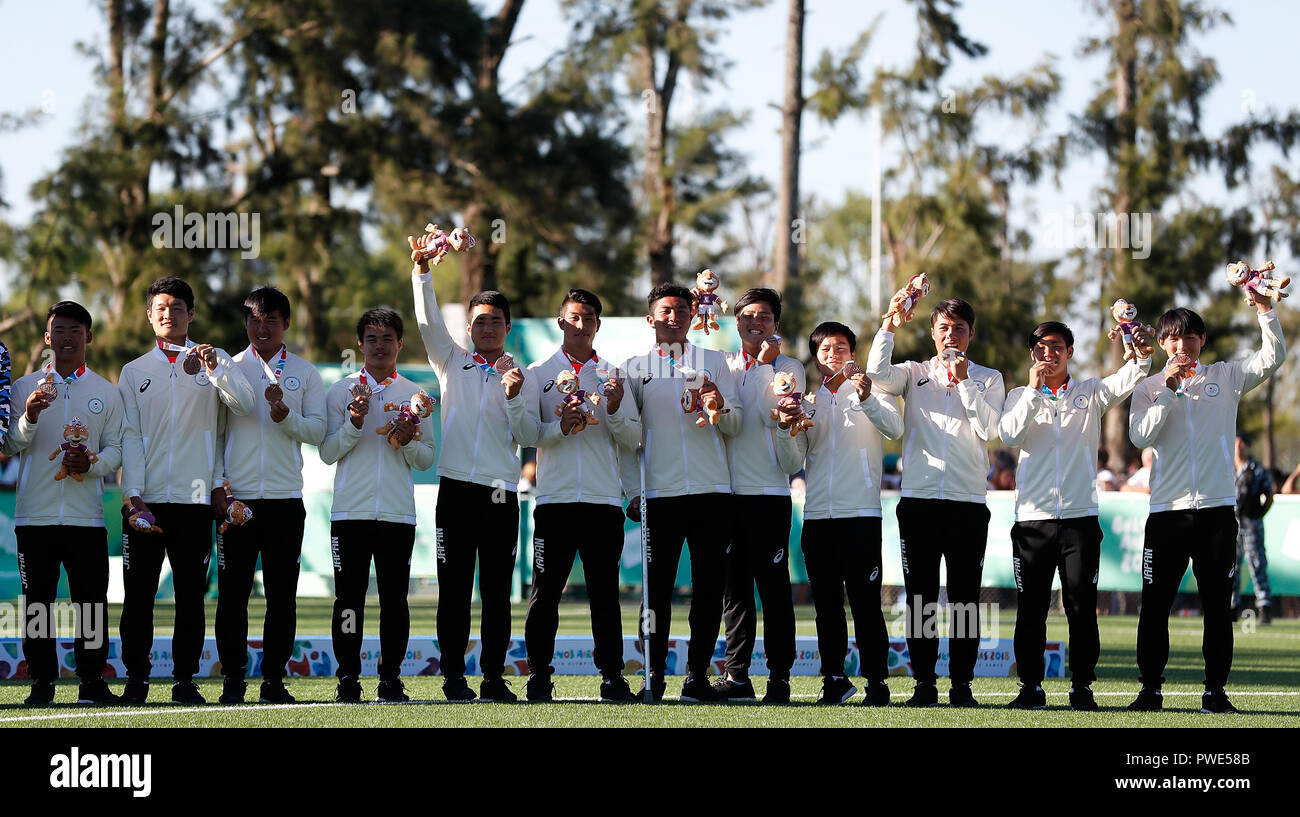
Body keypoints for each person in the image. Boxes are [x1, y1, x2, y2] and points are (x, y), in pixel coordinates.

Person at [1128, 290, 1285, 714]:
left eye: (1191, 337)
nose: (1183, 346)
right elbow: (1141, 437)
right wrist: (1168, 390)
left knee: (1218, 607)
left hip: (1217, 512)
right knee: (1155, 606)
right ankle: (1150, 690)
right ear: (1162, 344)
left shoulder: (1227, 376)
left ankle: (1215, 692)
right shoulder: (1146, 388)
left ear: (1202, 340)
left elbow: (1273, 357)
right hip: (1166, 515)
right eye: (1174, 339)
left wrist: (1265, 310)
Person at [998, 319, 1151, 711]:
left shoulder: (1090, 392)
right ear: (1032, 353)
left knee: (1082, 607)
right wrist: (1034, 390)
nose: (1048, 353)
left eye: (1056, 347)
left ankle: (1082, 685)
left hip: (1080, 520)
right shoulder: (1018, 394)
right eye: (1040, 348)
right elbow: (1010, 436)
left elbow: (1131, 375)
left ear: (1069, 351)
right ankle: (1030, 686)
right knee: (1030, 608)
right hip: (1032, 519)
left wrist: (1138, 344)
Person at [117, 276, 256, 704]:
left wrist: (216, 371)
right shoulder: (134, 371)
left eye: (177, 307)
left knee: (190, 598)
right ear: (148, 315)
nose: (168, 314)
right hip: (147, 504)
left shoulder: (215, 359)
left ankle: (183, 681)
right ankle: (137, 681)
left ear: (190, 315)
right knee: (138, 597)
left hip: (196, 503)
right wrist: (132, 496)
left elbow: (245, 406)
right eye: (160, 307)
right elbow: (129, 437)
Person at [866, 297, 1005, 707]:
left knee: (964, 599)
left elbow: (990, 428)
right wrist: (890, 324)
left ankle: (961, 685)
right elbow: (876, 372)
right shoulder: (914, 372)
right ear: (932, 332)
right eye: (943, 328)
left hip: (967, 504)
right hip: (919, 502)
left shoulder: (988, 378)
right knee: (921, 599)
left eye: (959, 328)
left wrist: (964, 382)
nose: (951, 335)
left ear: (971, 333)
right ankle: (924, 683)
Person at [503, 288, 640, 702]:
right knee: (545, 594)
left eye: (590, 319)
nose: (582, 325)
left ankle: (612, 677)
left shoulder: (614, 374)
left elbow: (632, 438)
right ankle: (539, 676)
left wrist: (614, 408)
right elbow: (524, 435)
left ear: (599, 324)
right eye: (574, 318)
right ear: (561, 321)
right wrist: (555, 426)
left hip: (602, 503)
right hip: (554, 503)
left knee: (605, 596)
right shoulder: (538, 372)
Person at [619, 281, 743, 702]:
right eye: (665, 311)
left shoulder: (715, 361)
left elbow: (736, 425)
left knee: (709, 590)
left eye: (681, 311)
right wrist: (631, 492)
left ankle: (697, 678)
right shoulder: (633, 367)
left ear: (694, 315)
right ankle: (651, 677)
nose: (674, 318)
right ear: (650, 318)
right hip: (659, 495)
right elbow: (624, 437)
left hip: (712, 492)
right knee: (657, 591)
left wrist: (719, 403)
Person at [411, 250, 523, 701]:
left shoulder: (523, 376)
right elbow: (427, 321)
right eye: (479, 321)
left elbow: (530, 432)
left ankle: (494, 678)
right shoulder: (450, 361)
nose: (487, 328)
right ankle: (454, 678)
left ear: (507, 327)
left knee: (497, 594)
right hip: (455, 489)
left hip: (500, 492)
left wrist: (515, 395)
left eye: (495, 321)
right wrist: (422, 271)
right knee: (453, 590)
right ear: (469, 328)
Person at [2, 302, 125, 705]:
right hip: (33, 516)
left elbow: (115, 452)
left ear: (89, 337)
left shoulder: (106, 392)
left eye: (76, 330)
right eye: (59, 330)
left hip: (86, 518)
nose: (67, 337)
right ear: (46, 338)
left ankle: (91, 681)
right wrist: (30, 418)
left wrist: (90, 465)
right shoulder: (24, 388)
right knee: (38, 604)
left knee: (90, 605)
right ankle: (41, 683)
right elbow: (7, 444)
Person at [212, 287, 326, 704]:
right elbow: (216, 435)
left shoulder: (305, 373)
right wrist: (219, 488)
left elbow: (318, 433)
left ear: (286, 324)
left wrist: (287, 417)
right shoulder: (226, 368)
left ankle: (274, 680)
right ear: (245, 324)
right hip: (236, 501)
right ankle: (233, 681)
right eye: (255, 320)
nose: (262, 328)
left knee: (282, 596)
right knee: (232, 596)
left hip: (284, 501)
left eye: (271, 320)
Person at [320, 308, 435, 702]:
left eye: (388, 338)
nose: (380, 346)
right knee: (348, 600)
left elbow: (426, 459)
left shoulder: (417, 396)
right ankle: (348, 678)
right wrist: (354, 423)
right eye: (372, 338)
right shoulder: (341, 391)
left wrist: (409, 440)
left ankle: (390, 679)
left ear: (400, 343)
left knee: (394, 601)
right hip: (350, 514)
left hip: (396, 514)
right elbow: (327, 452)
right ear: (360, 344)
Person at [796, 321, 903, 705]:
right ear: (815, 358)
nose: (833, 355)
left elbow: (894, 428)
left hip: (859, 515)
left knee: (865, 604)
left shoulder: (873, 389)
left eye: (840, 348)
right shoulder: (808, 401)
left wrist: (869, 397)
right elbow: (791, 459)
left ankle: (877, 682)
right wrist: (786, 428)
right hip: (817, 517)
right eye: (824, 349)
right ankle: (835, 680)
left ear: (852, 354)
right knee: (826, 608)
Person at [714, 288, 804, 703]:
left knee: (773, 590)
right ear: (736, 322)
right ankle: (737, 677)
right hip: (727, 494)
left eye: (764, 316)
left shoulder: (790, 367)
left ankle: (780, 678)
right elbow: (729, 417)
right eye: (747, 315)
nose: (755, 321)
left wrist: (766, 367)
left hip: (769, 492)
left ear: (775, 323)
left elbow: (771, 415)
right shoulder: (724, 365)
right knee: (734, 593)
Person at [1232, 433, 1273, 624]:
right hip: (1230, 525)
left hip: (1251, 524)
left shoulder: (1256, 470)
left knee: (1257, 564)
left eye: (1242, 444)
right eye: (1236, 443)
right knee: (1231, 566)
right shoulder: (1225, 467)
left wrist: (1257, 515)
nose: (1239, 447)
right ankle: (1232, 606)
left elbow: (1269, 495)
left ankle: (1264, 607)